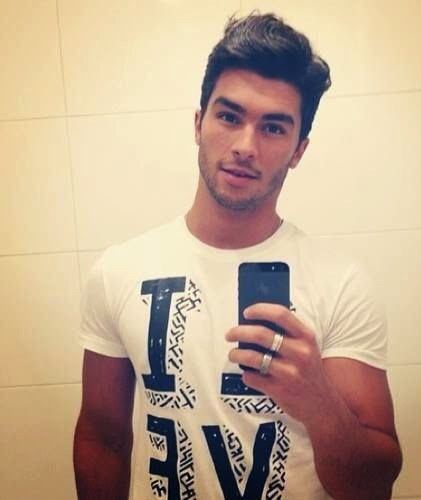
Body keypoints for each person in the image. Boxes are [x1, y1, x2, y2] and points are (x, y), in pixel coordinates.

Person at [73, 12, 402, 500]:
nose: (246, 146)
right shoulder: (119, 271)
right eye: (229, 117)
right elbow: (102, 438)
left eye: (273, 128)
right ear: (199, 123)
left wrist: (317, 400)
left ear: (298, 150)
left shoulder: (341, 284)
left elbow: (373, 487)